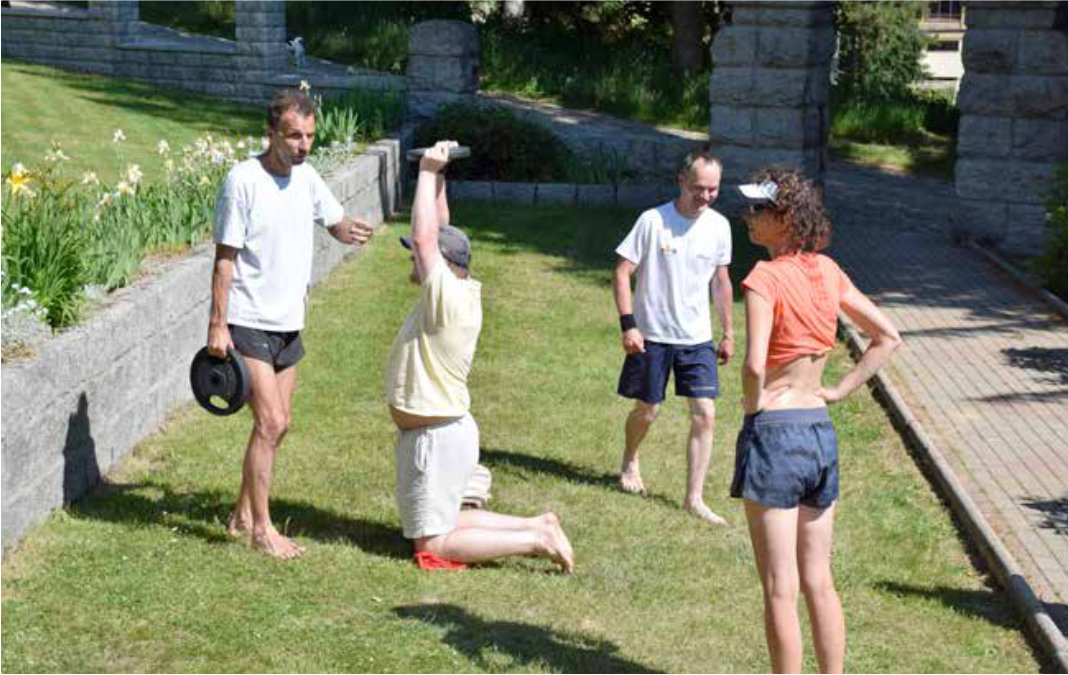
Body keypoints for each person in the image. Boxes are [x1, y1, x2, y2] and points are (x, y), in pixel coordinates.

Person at [733, 167, 901, 674]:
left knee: (780, 590)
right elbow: (887, 336)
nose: (749, 216)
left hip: (776, 434)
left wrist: (751, 406)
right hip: (818, 433)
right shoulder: (829, 271)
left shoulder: (764, 278)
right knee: (819, 580)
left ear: (784, 219)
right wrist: (838, 390)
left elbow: (755, 364)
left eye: (759, 209)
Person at [385, 140, 574, 573]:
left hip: (437, 437)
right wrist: (441, 176)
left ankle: (536, 539)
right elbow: (439, 231)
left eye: (419, 257)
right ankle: (538, 523)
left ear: (443, 265)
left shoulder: (445, 296)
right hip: (444, 431)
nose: (413, 257)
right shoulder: (459, 289)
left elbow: (425, 236)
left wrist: (428, 171)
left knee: (432, 544)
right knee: (447, 523)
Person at [208, 88, 374, 559]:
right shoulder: (242, 180)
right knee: (270, 420)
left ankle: (242, 514)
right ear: (271, 133)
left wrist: (349, 230)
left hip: (288, 320)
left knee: (279, 426)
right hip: (248, 317)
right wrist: (217, 326)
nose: (303, 145)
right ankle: (263, 531)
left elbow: (334, 219)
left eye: (309, 136)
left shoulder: (306, 178)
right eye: (294, 136)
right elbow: (224, 259)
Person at [612, 149, 735, 526]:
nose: (706, 196)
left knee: (705, 413)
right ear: (681, 181)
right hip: (652, 335)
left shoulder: (719, 226)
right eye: (699, 188)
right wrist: (629, 325)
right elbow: (622, 273)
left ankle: (693, 498)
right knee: (648, 409)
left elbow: (721, 281)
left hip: (697, 338)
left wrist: (728, 332)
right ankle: (630, 460)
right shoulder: (653, 221)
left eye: (713, 189)